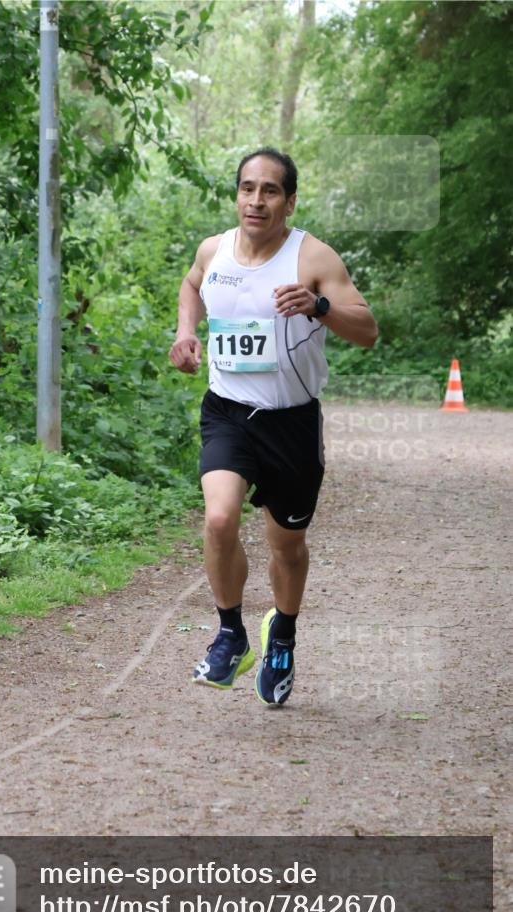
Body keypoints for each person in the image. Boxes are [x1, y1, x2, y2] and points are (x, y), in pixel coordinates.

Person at [168, 147, 378, 707]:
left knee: (286, 545)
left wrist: (320, 305)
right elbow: (192, 285)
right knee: (219, 517)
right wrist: (187, 333)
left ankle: (281, 632)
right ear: (236, 193)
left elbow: (367, 329)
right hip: (228, 411)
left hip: (291, 423)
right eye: (247, 188)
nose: (255, 201)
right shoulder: (213, 250)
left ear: (289, 200)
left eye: (269, 191)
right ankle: (231, 633)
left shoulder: (311, 256)